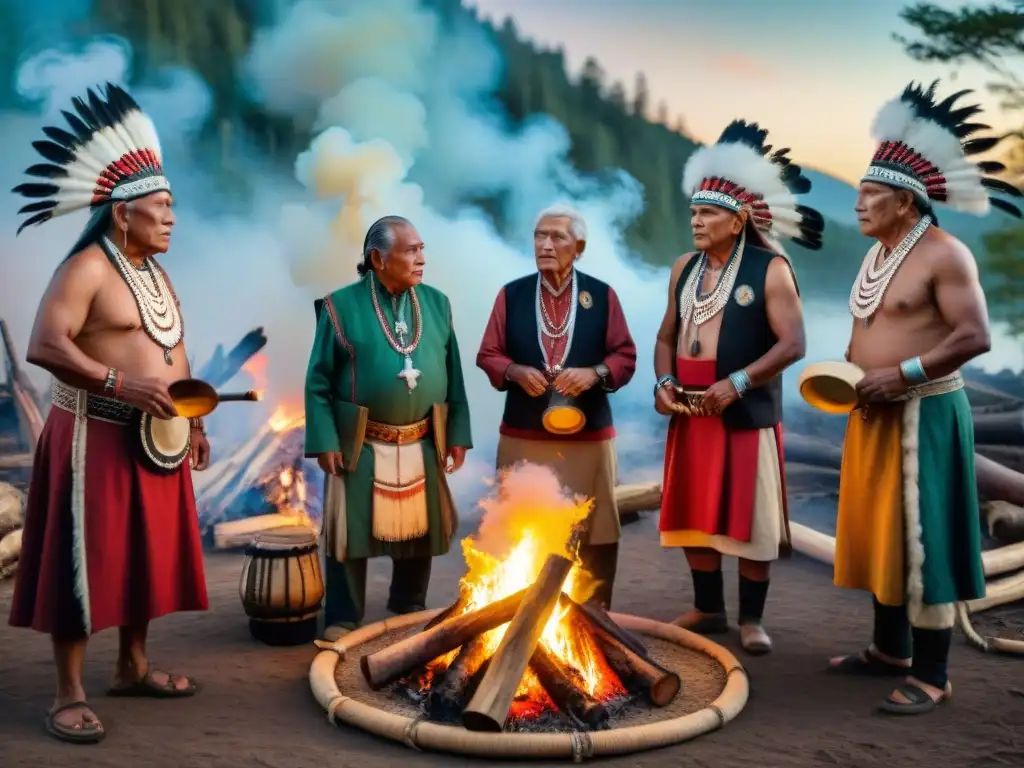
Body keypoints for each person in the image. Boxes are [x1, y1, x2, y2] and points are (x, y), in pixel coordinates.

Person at [8, 83, 210, 744]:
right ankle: (68, 691)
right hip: (90, 435)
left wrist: (194, 419)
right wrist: (120, 383)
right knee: (83, 559)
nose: (172, 218)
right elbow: (45, 344)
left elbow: (172, 352)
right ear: (123, 213)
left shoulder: (155, 272)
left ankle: (132, 665)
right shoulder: (88, 269)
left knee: (144, 556)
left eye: (172, 206)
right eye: (161, 207)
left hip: (156, 436)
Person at [828, 81, 1022, 714]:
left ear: (907, 203)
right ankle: (891, 649)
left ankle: (934, 674)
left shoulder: (946, 254)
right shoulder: (879, 253)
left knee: (926, 536)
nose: (858, 203)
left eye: (870, 195)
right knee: (884, 532)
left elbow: (975, 335)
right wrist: (853, 374)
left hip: (926, 415)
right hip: (875, 411)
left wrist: (903, 373)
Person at [654, 121, 824, 654]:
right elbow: (665, 337)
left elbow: (794, 344)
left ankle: (752, 619)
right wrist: (664, 380)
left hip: (742, 408)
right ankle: (709, 608)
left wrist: (738, 382)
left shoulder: (770, 268)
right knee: (694, 510)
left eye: (708, 214)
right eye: (694, 213)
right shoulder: (684, 268)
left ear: (738, 219)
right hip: (691, 408)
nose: (696, 222)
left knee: (750, 515)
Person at [305, 215, 473, 642]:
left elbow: (453, 374)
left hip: (422, 435)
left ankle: (408, 602)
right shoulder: (340, 307)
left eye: (422, 248)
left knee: (419, 528)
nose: (422, 258)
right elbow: (319, 380)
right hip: (360, 440)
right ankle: (343, 615)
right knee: (349, 532)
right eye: (411, 250)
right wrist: (325, 439)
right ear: (378, 259)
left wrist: (456, 433)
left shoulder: (437, 303)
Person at [476, 203, 637, 608]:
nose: (545, 244)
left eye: (557, 237)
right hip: (523, 434)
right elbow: (488, 354)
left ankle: (595, 618)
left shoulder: (601, 296)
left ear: (578, 247)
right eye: (539, 236)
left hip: (589, 436)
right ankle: (513, 612)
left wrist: (595, 373)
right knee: (515, 524)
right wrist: (513, 371)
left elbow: (625, 355)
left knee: (596, 527)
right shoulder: (512, 295)